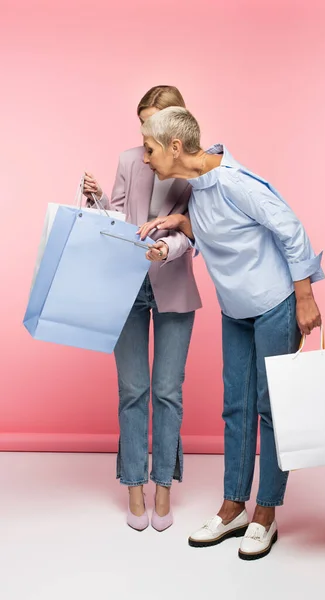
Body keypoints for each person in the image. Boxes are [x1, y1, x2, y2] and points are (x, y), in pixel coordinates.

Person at [138, 106, 324, 559]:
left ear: (175, 148)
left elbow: (292, 231)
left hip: (275, 306)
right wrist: (183, 225)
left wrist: (304, 298)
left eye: (150, 148)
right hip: (236, 311)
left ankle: (266, 513)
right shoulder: (196, 188)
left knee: (271, 410)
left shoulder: (236, 182)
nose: (145, 158)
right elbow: (229, 236)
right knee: (235, 408)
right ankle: (233, 507)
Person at [83, 89, 202, 532]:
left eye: (153, 125)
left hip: (172, 286)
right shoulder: (130, 160)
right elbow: (114, 223)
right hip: (127, 290)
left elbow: (194, 230)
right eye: (142, 125)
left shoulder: (193, 168)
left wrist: (163, 250)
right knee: (132, 391)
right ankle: (134, 486)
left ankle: (164, 485)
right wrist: (94, 202)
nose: (145, 135)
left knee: (168, 392)